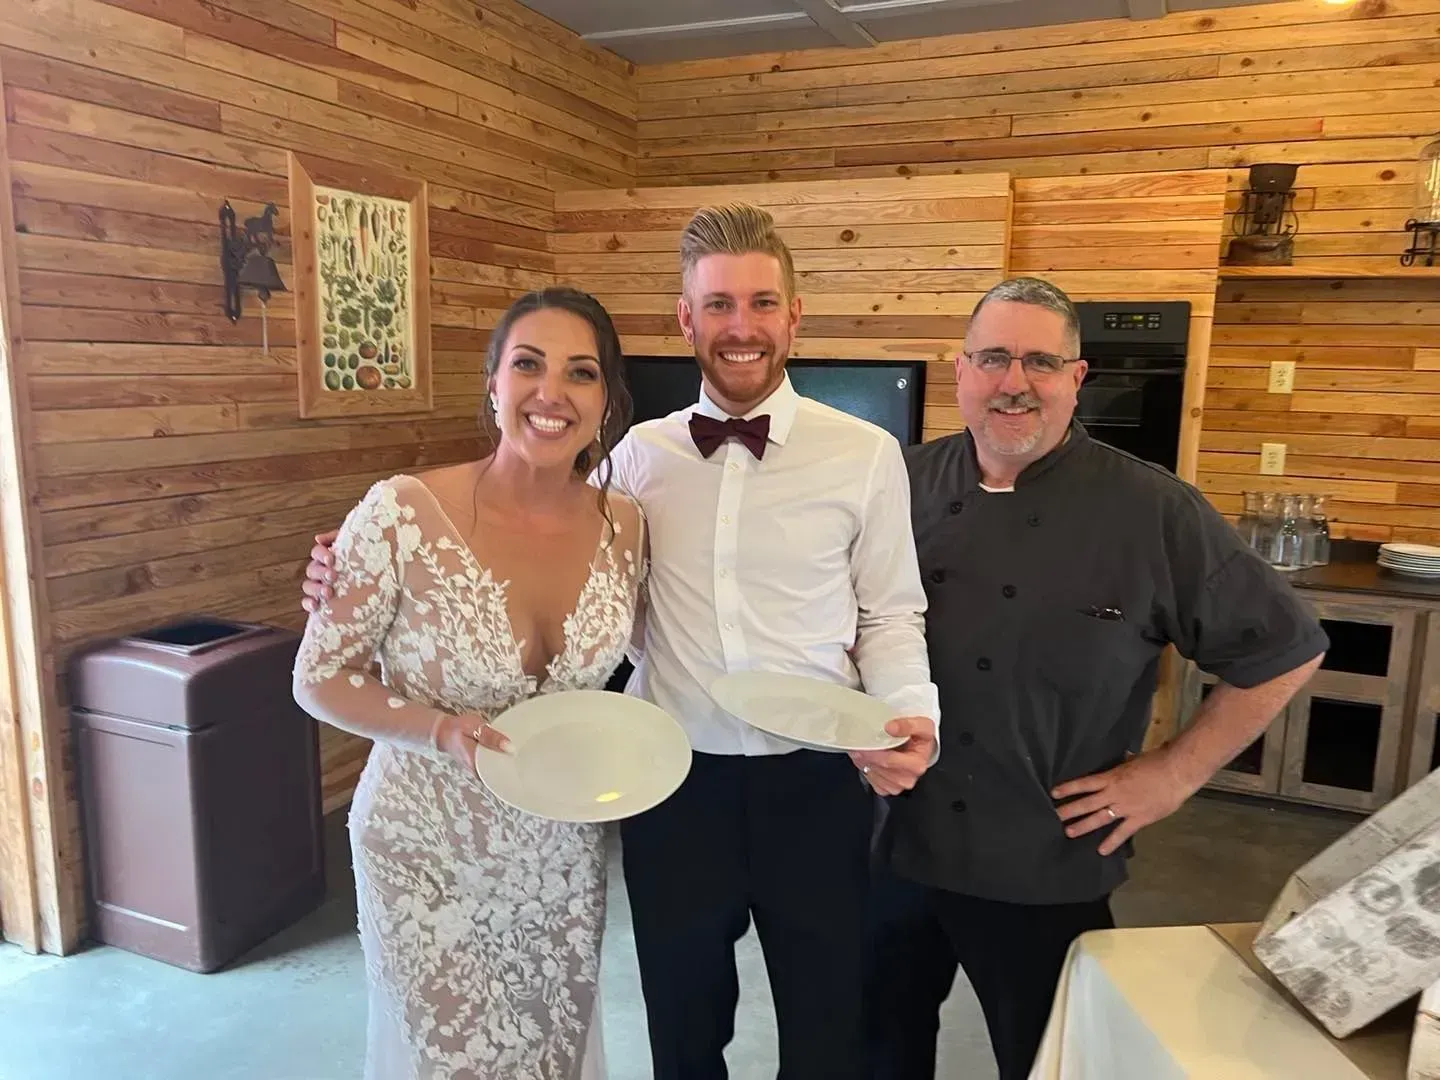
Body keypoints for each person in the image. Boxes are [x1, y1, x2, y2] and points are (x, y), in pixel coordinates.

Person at [304, 203, 941, 1080]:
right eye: (718, 304)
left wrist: (907, 714)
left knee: (828, 1031)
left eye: (761, 303)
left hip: (816, 785)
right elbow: (530, 529)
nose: (741, 326)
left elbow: (892, 615)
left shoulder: (865, 455)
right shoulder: (634, 462)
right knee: (682, 1033)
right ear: (686, 319)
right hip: (671, 785)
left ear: (794, 316)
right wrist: (341, 564)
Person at [864, 276, 1329, 1080]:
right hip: (887, 846)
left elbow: (1287, 647)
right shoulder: (890, 484)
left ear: (1077, 378)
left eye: (1040, 362)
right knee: (873, 1056)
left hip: (1044, 860)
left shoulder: (1152, 510)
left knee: (1050, 1064)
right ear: (961, 370)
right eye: (993, 358)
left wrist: (1174, 774)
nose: (1014, 382)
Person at [291, 286, 646, 1080]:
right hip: (425, 848)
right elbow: (319, 677)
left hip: (560, 852)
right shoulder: (401, 511)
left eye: (581, 372)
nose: (551, 392)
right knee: (456, 1062)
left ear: (606, 402)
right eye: (528, 365)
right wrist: (441, 730)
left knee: (552, 1055)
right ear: (493, 384)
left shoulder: (627, 524)